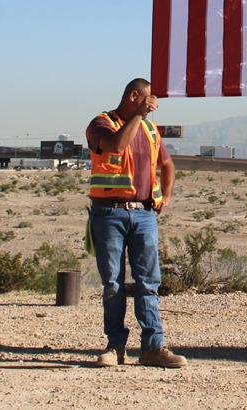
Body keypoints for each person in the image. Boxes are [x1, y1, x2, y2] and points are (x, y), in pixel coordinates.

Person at [86, 78, 186, 368]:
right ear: (134, 96)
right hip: (109, 214)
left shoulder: (149, 129)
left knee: (148, 282)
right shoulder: (101, 124)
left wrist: (165, 197)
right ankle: (115, 347)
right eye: (148, 99)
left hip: (143, 215)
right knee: (113, 284)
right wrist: (140, 114)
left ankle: (153, 348)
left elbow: (167, 164)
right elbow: (116, 146)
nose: (153, 104)